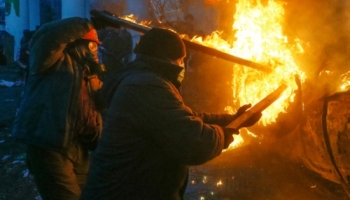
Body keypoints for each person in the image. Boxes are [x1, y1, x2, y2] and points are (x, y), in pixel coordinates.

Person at [80, 28, 262, 200]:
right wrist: (223, 134)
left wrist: (233, 119)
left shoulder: (143, 79)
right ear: (170, 59)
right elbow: (194, 142)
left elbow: (185, 118)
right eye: (182, 59)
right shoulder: (146, 87)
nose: (183, 65)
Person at [12, 17, 114, 200]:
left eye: (96, 46)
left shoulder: (90, 74)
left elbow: (98, 105)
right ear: (76, 44)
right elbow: (50, 36)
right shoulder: (51, 60)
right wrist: (88, 24)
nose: (95, 51)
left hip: (79, 146)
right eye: (91, 45)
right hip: (50, 144)